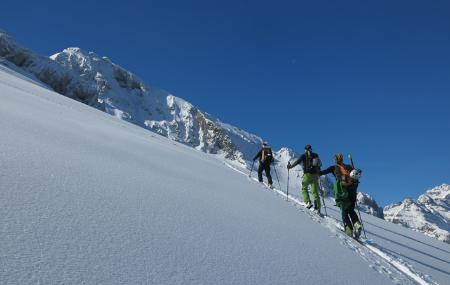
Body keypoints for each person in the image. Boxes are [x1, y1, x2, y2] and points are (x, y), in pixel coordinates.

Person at [320, 153, 362, 238]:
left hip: (342, 191)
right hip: (352, 191)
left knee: (344, 211)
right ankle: (357, 224)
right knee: (351, 210)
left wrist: (317, 171)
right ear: (342, 159)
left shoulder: (334, 168)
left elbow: (322, 172)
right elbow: (355, 174)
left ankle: (349, 229)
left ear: (335, 160)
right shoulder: (349, 167)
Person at [287, 144, 322, 213]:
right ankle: (318, 208)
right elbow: (319, 164)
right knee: (315, 192)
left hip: (307, 175)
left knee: (304, 188)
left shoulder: (304, 155)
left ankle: (308, 202)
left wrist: (290, 167)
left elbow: (297, 162)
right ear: (311, 149)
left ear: (305, 149)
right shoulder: (316, 155)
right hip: (315, 175)